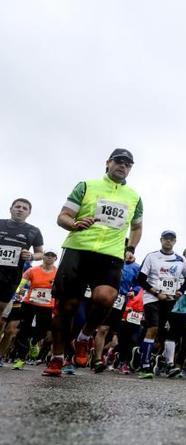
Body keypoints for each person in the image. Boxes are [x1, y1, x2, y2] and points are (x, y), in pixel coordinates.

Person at [45, 149, 143, 377]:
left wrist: (130, 249)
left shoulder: (135, 197)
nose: (123, 166)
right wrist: (74, 224)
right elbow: (63, 216)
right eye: (119, 161)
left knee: (106, 297)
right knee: (66, 307)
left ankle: (85, 336)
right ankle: (58, 357)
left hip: (110, 254)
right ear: (108, 163)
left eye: (128, 164)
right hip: (79, 249)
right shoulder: (86, 185)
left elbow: (137, 227)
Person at [135, 231, 186, 379]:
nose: (168, 241)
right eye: (166, 239)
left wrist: (180, 291)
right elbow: (141, 279)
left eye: (171, 239)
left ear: (175, 241)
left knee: (164, 332)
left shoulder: (180, 260)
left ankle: (163, 362)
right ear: (161, 240)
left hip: (169, 299)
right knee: (152, 327)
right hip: (152, 298)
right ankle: (145, 365)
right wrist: (156, 292)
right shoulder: (151, 256)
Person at [9, 251, 56, 369]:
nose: (49, 257)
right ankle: (21, 359)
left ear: (55, 258)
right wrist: (18, 291)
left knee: (43, 330)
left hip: (47, 305)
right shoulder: (32, 270)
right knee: (24, 329)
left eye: (52, 256)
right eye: (47, 255)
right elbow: (22, 282)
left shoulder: (58, 272)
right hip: (30, 303)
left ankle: (34, 342)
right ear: (43, 257)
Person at [1, 198, 44, 317]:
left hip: (11, 277)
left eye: (24, 208)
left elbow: (40, 253)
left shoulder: (34, 231)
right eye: (17, 207)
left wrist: (31, 256)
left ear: (29, 213)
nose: (20, 210)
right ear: (11, 209)